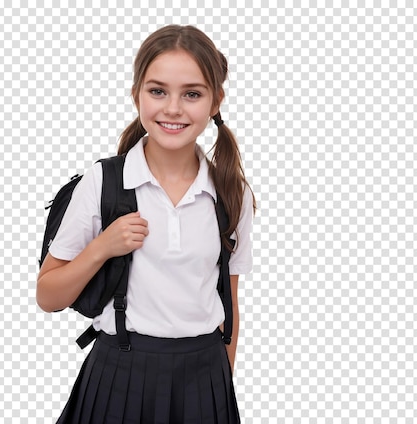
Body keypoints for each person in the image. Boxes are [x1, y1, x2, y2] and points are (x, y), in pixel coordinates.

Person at [37, 25, 255, 423]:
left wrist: (221, 388)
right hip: (118, 376)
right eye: (158, 91)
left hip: (204, 377)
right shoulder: (103, 181)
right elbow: (48, 296)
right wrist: (102, 246)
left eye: (192, 93)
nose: (173, 108)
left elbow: (230, 304)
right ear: (137, 93)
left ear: (215, 100)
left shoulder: (230, 192)